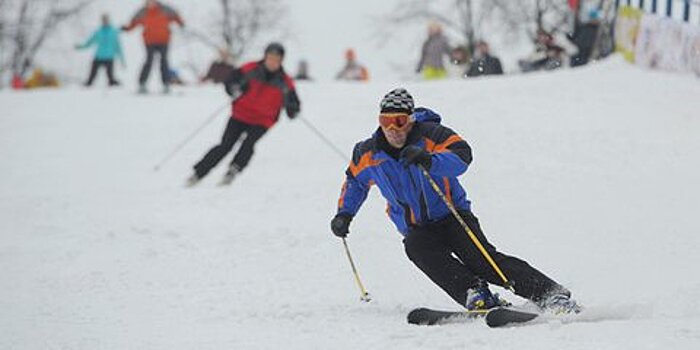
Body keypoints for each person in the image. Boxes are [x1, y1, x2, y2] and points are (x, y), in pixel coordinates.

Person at [330, 88, 581, 314]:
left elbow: (463, 156)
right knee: (417, 248)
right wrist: (344, 214)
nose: (393, 129)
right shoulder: (368, 152)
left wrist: (429, 160)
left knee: (483, 261)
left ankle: (550, 294)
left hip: (452, 215)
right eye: (386, 121)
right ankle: (475, 293)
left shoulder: (432, 135)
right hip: (417, 227)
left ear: (411, 120)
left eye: (399, 121)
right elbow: (355, 182)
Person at [187, 43, 301, 186]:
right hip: (240, 115)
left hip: (263, 120)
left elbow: (293, 104)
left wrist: (293, 109)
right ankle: (198, 173)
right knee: (226, 145)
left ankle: (234, 169)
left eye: (276, 59)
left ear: (281, 61)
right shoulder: (250, 69)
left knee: (249, 143)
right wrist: (234, 88)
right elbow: (230, 81)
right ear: (265, 57)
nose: (272, 62)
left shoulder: (285, 82)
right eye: (270, 58)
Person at [122, 0, 184, 94]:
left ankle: (166, 84)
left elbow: (175, 16)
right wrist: (127, 28)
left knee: (164, 61)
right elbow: (134, 22)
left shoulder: (165, 9)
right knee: (149, 60)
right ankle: (142, 84)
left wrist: (181, 23)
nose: (151, 3)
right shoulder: (143, 11)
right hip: (149, 41)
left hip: (164, 40)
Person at [76, 14, 124, 87]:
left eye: (106, 19)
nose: (105, 21)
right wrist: (81, 47)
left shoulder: (113, 32)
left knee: (110, 77)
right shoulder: (98, 32)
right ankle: (87, 85)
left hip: (109, 58)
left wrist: (122, 59)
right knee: (92, 76)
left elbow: (118, 46)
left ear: (109, 20)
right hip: (99, 56)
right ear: (102, 21)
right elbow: (90, 42)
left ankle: (114, 85)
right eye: (103, 20)